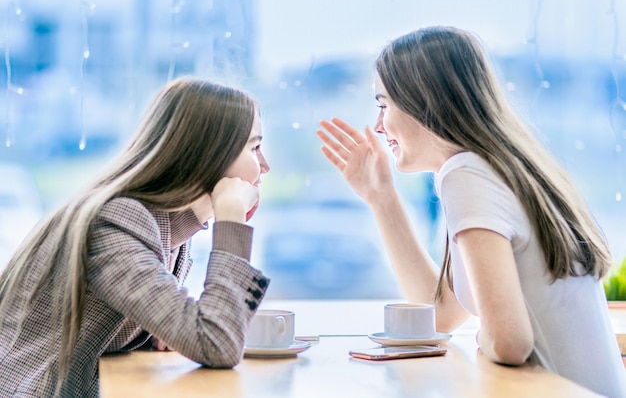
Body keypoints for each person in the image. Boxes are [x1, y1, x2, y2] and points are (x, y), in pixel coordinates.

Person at [316, 26, 626, 398]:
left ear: (424, 102)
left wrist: (485, 338)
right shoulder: (494, 168)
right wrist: (382, 199)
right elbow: (441, 313)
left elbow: (509, 343)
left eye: (384, 105)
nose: (379, 125)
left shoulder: (467, 175)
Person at [0, 77, 271, 397]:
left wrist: (153, 328)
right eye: (254, 147)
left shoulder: (161, 223)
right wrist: (230, 223)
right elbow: (217, 343)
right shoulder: (117, 219)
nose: (265, 166)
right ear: (211, 153)